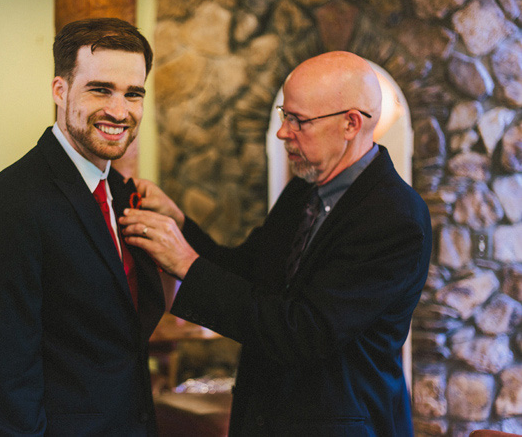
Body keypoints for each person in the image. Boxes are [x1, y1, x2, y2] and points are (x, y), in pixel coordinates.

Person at [121, 51, 432, 436]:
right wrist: (179, 224)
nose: (282, 132)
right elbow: (245, 270)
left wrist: (187, 264)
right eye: (286, 115)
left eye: (299, 120)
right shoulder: (302, 191)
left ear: (351, 123)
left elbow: (304, 332)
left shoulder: (394, 216)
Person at [0, 18, 165, 436]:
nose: (119, 111)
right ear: (60, 90)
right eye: (100, 89)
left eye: (133, 94)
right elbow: (2, 385)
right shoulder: (6, 208)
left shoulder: (122, 194)